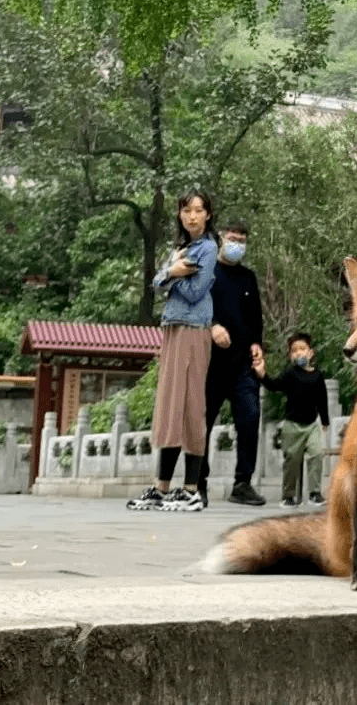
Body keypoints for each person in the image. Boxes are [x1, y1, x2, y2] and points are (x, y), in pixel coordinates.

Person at [127, 190, 217, 512]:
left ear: (207, 214)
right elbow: (154, 282)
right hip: (173, 329)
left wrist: (172, 275)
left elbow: (195, 292)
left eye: (198, 210)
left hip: (194, 330)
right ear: (180, 215)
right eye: (186, 210)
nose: (192, 216)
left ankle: (191, 488)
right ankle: (161, 486)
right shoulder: (181, 249)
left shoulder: (208, 248)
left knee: (192, 406)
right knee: (169, 405)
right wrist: (172, 271)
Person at [198, 220, 267, 507]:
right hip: (210, 364)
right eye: (233, 238)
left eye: (242, 239)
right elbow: (193, 306)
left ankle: (243, 483)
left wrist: (256, 345)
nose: (238, 243)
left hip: (242, 366)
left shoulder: (248, 278)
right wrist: (212, 326)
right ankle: (197, 481)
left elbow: (255, 320)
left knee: (250, 417)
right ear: (220, 239)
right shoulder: (206, 273)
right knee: (203, 422)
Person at [252, 331, 330, 508]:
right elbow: (274, 386)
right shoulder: (290, 374)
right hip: (292, 426)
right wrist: (262, 375)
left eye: (302, 349)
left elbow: (322, 399)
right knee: (292, 461)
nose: (299, 353)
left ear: (311, 352)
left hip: (311, 425)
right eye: (294, 351)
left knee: (317, 454)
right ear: (290, 355)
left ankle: (315, 493)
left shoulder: (317, 376)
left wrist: (325, 421)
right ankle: (288, 496)